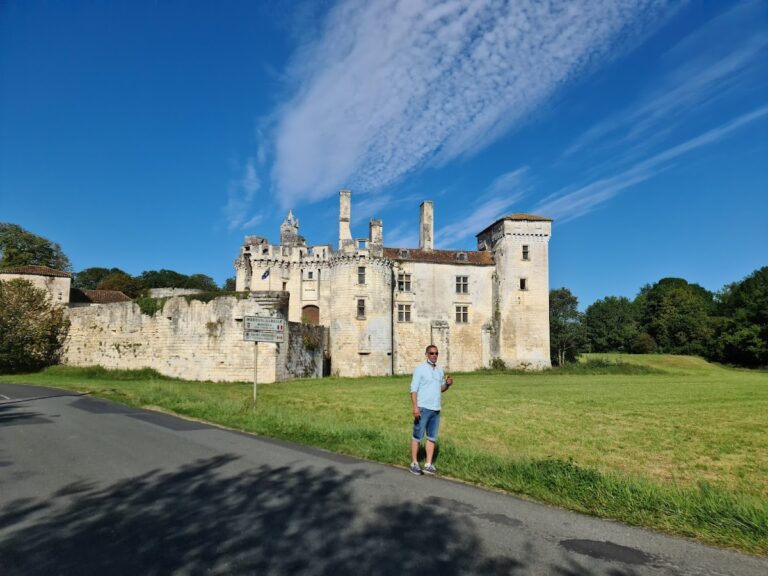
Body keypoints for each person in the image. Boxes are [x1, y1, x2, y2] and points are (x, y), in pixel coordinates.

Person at [409, 344, 453, 475]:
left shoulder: (439, 370)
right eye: (431, 353)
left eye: (436, 353)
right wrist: (415, 407)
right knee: (417, 436)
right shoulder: (420, 369)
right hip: (422, 408)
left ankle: (428, 464)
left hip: (436, 408)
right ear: (426, 354)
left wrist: (448, 385)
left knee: (431, 437)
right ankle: (414, 463)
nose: (434, 355)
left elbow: (440, 388)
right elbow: (413, 390)